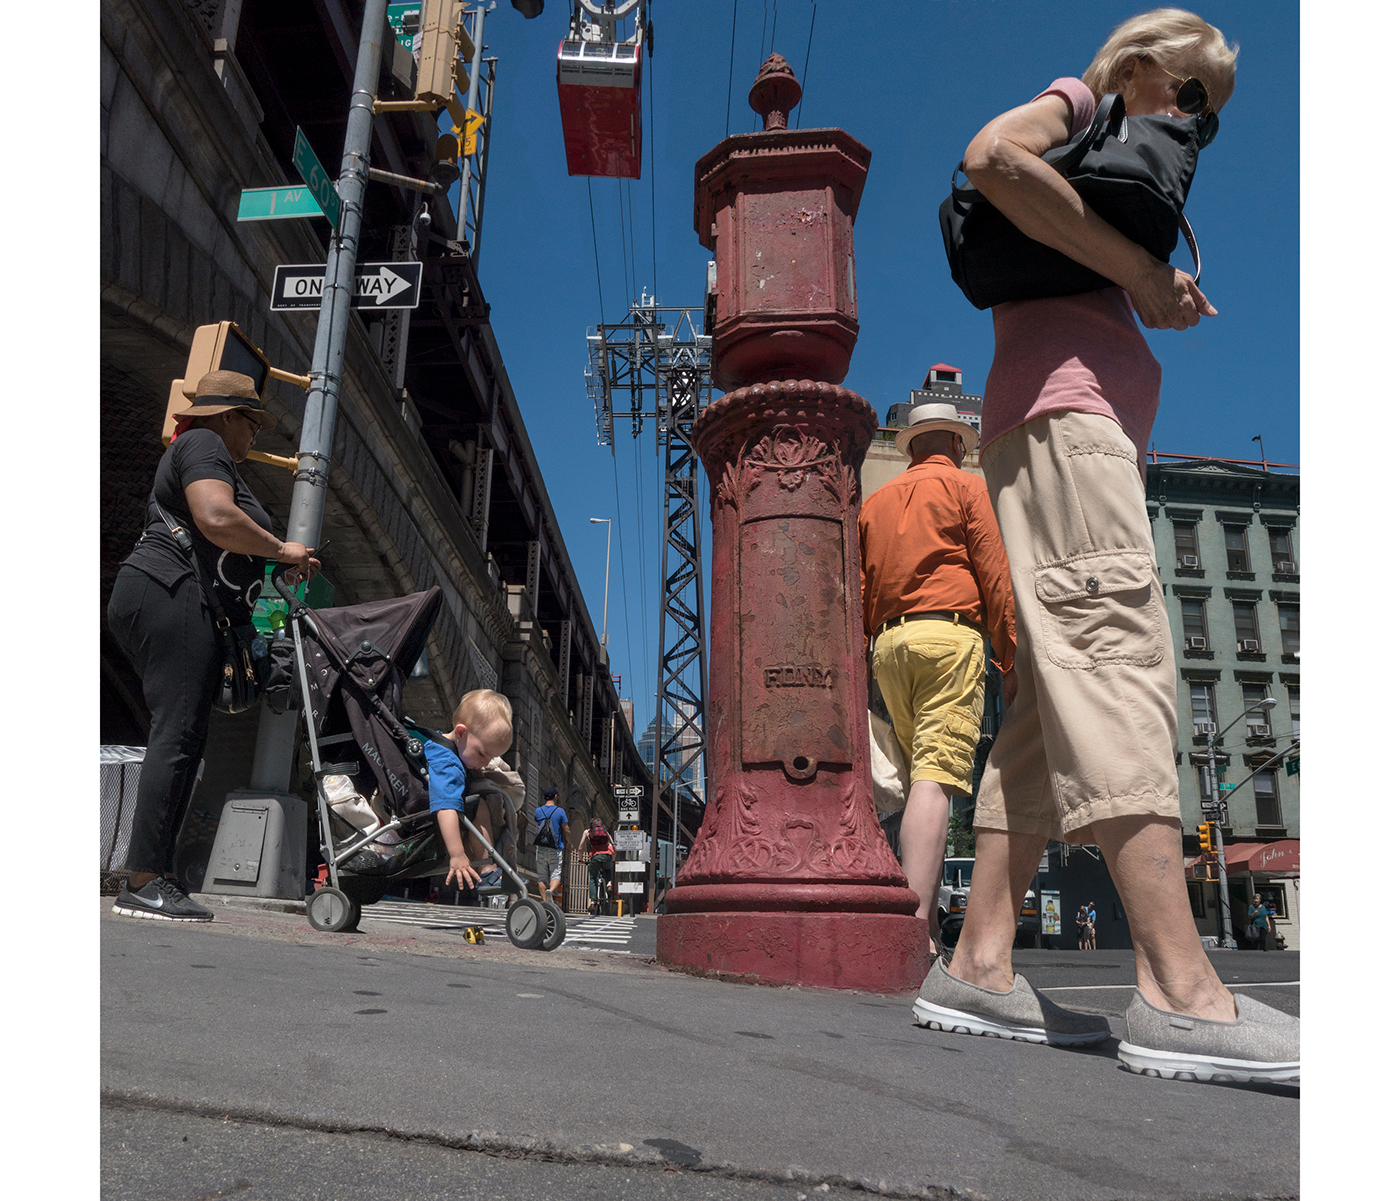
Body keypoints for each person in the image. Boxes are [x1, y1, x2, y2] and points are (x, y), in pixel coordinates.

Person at [915, 9, 1299, 1083]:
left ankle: (978, 962)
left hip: (1063, 430)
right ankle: (1179, 988)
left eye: (1205, 119)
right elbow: (990, 158)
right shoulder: (1080, 103)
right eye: (1186, 96)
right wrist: (1139, 276)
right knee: (1118, 661)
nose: (1191, 125)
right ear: (1135, 69)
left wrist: (1148, 282)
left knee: (1046, 709)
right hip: (1061, 423)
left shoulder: (1104, 179)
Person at [108, 371, 319, 923]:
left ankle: (158, 875)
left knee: (184, 735)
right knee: (176, 733)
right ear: (227, 416)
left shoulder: (207, 451)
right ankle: (144, 879)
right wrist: (280, 545)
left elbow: (226, 549)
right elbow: (215, 517)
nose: (255, 436)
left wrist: (279, 567)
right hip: (169, 590)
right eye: (251, 423)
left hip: (175, 594)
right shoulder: (203, 443)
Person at [858, 402, 1016, 961]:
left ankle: (885, 899)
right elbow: (996, 576)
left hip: (888, 646)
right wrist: (1012, 659)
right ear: (956, 442)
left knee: (902, 783)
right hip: (950, 639)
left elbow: (858, 587)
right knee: (934, 777)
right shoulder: (967, 490)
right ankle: (917, 929)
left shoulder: (873, 505)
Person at [345, 689, 514, 886]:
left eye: (491, 758)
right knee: (481, 807)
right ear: (461, 732)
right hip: (427, 817)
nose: (485, 763)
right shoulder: (449, 764)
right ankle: (487, 870)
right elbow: (446, 808)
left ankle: (486, 867)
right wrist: (457, 855)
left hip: (418, 804)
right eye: (482, 754)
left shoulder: (437, 742)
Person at [533, 786, 570, 907]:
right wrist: (570, 842)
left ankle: (545, 903)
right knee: (555, 874)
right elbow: (566, 829)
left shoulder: (538, 811)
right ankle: (550, 890)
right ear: (555, 796)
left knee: (541, 877)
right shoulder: (560, 811)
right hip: (555, 847)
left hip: (541, 847)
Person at [577, 819, 616, 915]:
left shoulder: (587, 832)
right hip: (608, 856)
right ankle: (609, 884)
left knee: (592, 878)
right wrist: (613, 858)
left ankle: (593, 903)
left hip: (595, 857)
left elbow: (580, 847)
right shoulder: (605, 831)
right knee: (608, 870)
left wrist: (581, 858)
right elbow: (613, 844)